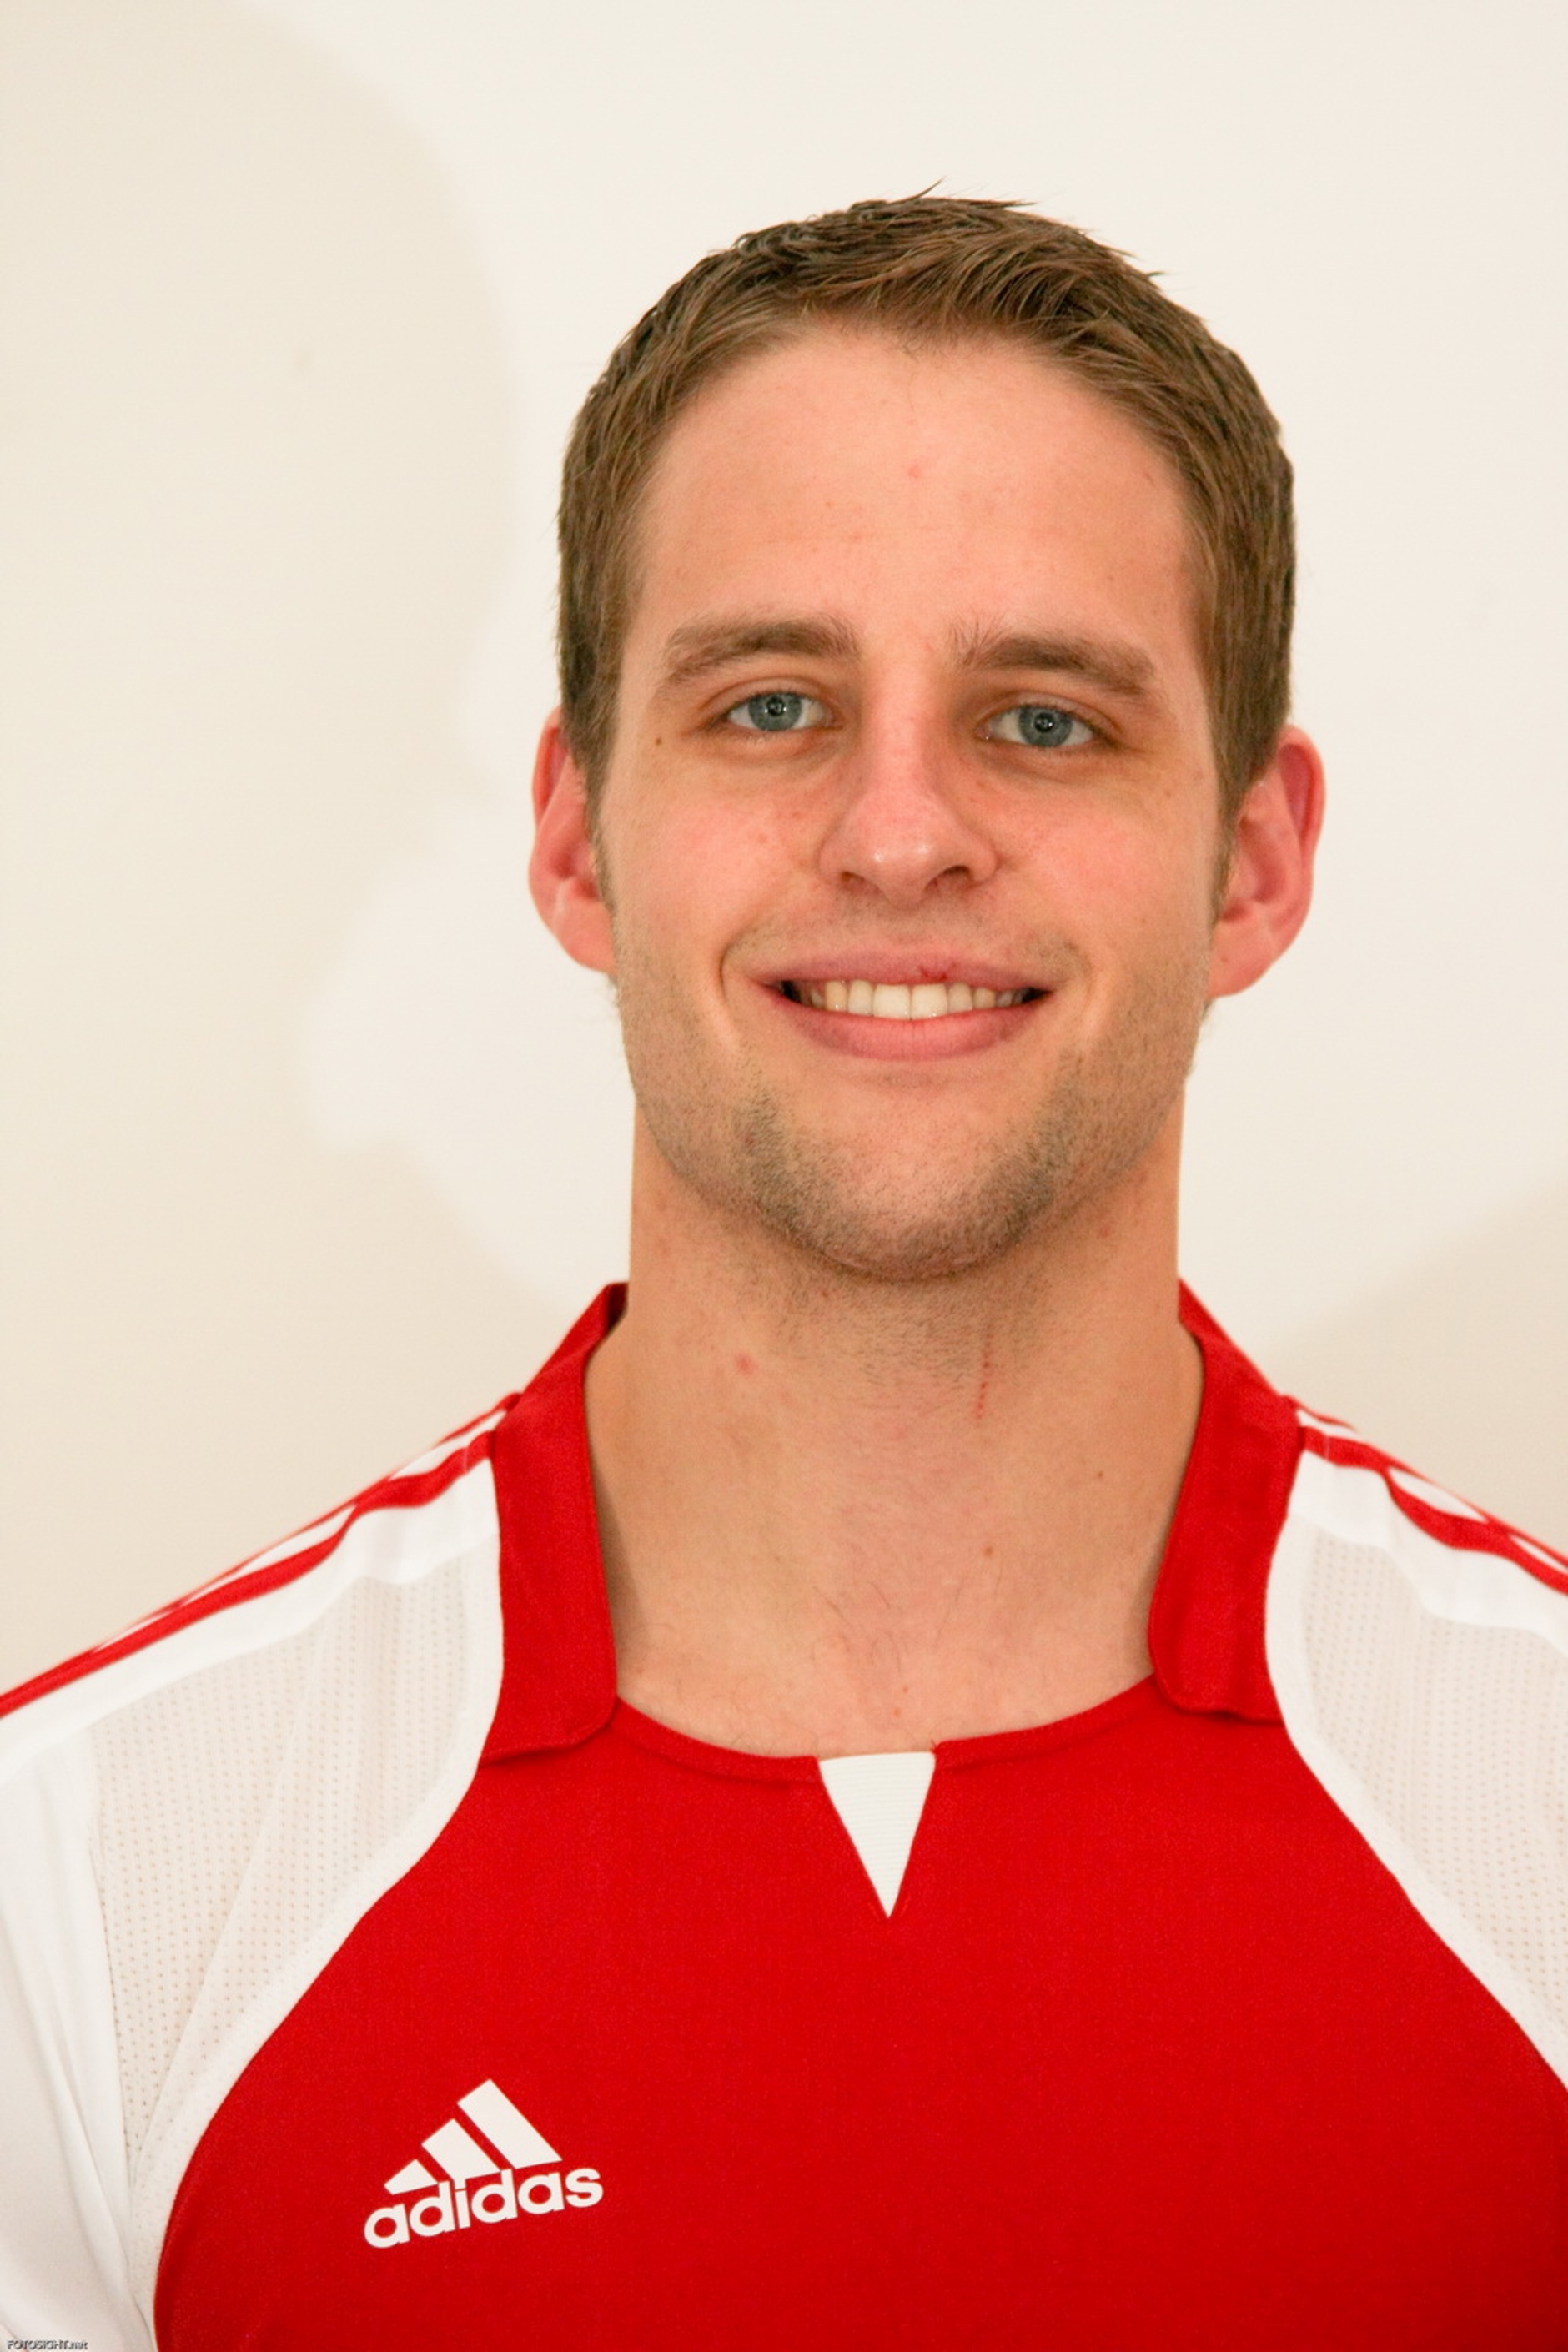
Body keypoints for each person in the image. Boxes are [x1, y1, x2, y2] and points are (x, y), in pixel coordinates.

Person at [3, 195, 1566, 2351]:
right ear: (578, 838)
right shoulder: (89, 1875)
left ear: (1256, 860)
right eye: (768, 705)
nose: (901, 834)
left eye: (1046, 720)